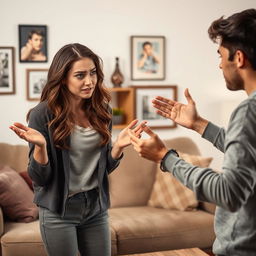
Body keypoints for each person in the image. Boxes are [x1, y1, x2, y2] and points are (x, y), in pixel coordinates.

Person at [129, 9, 256, 256]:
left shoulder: (247, 112)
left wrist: (166, 158)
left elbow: (227, 193)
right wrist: (199, 125)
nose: (220, 64)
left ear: (238, 58)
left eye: (221, 56)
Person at [10, 43, 145, 256]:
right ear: (63, 78)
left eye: (93, 73)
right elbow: (40, 179)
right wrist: (41, 147)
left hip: (95, 208)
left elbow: (102, 169)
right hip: (58, 211)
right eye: (80, 75)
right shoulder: (42, 115)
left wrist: (118, 146)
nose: (89, 81)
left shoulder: (102, 110)